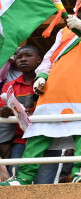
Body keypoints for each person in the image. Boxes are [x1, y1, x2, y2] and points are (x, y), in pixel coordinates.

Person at [1, 0, 81, 186]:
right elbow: (49, 57)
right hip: (53, 90)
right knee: (39, 132)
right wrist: (42, 76)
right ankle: (24, 177)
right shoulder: (63, 32)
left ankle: (80, 172)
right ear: (77, 8)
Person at [0, 46, 61, 184]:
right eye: (19, 57)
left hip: (50, 140)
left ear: (39, 60)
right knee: (15, 182)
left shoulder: (52, 81)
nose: (23, 59)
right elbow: (1, 109)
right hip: (22, 141)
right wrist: (5, 111)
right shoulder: (10, 85)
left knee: (43, 185)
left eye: (28, 56)